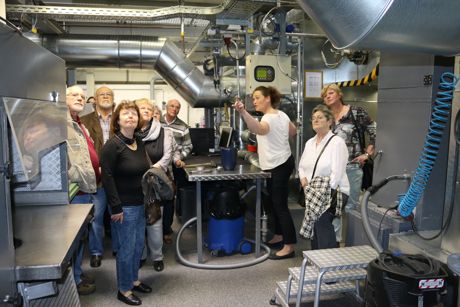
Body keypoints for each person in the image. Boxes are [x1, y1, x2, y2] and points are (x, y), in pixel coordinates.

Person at [234, 86, 297, 260]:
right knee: (273, 202)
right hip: (281, 162)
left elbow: (259, 129)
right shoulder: (281, 114)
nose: (254, 101)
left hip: (279, 165)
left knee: (280, 205)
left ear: (268, 98)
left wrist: (243, 112)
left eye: (257, 97)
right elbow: (293, 131)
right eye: (253, 98)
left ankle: (289, 245)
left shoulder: (269, 117)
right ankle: (279, 234)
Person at [100, 100, 152, 306]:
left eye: (134, 114)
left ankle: (134, 280)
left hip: (140, 203)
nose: (130, 117)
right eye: (126, 114)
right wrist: (115, 207)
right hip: (124, 207)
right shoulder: (112, 145)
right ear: (118, 119)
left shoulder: (139, 141)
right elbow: (107, 177)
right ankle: (123, 289)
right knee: (126, 249)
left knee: (138, 245)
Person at [321, 84, 376, 242]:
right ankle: (336, 243)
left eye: (330, 93)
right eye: (325, 95)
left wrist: (367, 154)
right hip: (332, 168)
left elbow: (375, 131)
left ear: (339, 95)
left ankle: (351, 244)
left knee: (350, 208)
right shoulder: (326, 117)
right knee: (334, 207)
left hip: (352, 167)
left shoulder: (355, 112)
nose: (328, 97)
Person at [298, 105, 350, 250]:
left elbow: (337, 172)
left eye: (320, 117)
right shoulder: (309, 143)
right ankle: (317, 262)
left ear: (330, 121)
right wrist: (303, 180)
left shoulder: (337, 142)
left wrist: (325, 195)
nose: (316, 120)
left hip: (334, 191)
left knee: (322, 222)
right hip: (312, 192)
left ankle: (328, 264)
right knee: (315, 225)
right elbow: (301, 166)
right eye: (314, 118)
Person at [66, 85, 100, 295]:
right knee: (75, 239)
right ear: (63, 98)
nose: (80, 98)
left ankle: (77, 272)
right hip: (74, 190)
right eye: (74, 95)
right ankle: (74, 280)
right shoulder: (61, 123)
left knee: (81, 237)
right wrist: (75, 175)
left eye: (82, 96)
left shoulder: (79, 123)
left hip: (85, 189)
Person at [135, 99, 173, 272]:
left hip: (153, 183)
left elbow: (167, 156)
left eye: (149, 108)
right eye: (142, 107)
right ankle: (141, 255)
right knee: (137, 222)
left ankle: (157, 256)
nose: (146, 110)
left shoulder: (164, 131)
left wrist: (151, 171)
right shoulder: (129, 132)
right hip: (134, 184)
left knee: (155, 220)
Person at [81, 85, 116, 266]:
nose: (105, 97)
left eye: (108, 94)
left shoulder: (119, 119)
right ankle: (96, 251)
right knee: (96, 218)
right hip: (96, 177)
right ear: (95, 99)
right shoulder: (84, 121)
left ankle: (118, 248)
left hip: (117, 177)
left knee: (118, 215)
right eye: (101, 94)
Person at [160, 99, 193, 244]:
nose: (174, 109)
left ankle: (166, 230)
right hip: (154, 164)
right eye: (172, 106)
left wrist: (180, 158)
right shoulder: (155, 120)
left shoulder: (183, 127)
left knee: (169, 198)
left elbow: (188, 146)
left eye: (177, 107)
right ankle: (151, 231)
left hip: (172, 167)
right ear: (166, 107)